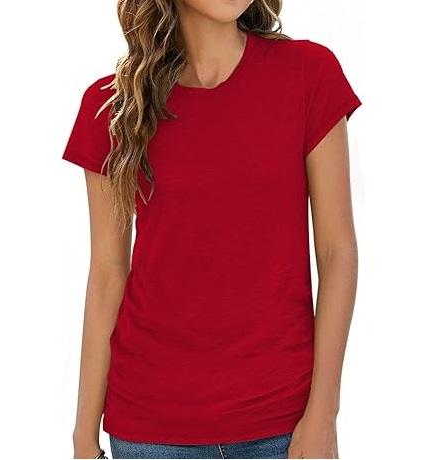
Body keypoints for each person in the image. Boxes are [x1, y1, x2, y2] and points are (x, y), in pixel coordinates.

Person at [62, 0, 362, 458]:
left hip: (283, 423)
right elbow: (107, 274)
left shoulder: (307, 73)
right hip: (149, 431)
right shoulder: (115, 107)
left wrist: (324, 413)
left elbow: (337, 251)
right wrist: (84, 438)